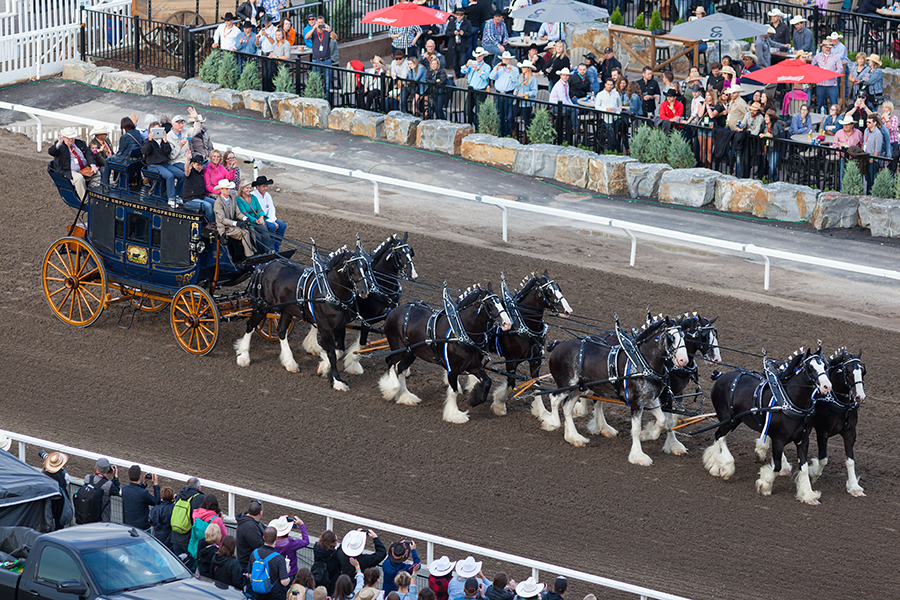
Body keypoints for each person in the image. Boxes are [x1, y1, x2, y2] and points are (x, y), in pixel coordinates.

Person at [48, 127, 98, 200]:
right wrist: (59, 143)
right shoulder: (60, 145)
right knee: (79, 178)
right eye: (68, 138)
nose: (71, 140)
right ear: (64, 137)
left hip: (84, 168)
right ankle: (86, 200)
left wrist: (93, 165)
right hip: (69, 170)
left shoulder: (80, 143)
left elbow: (88, 153)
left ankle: (95, 196)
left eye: (72, 137)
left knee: (97, 173)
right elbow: (51, 152)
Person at [214, 179, 257, 257]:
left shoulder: (232, 199)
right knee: (245, 233)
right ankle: (249, 255)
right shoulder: (218, 203)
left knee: (250, 229)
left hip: (233, 225)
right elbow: (222, 219)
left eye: (229, 188)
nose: (229, 190)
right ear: (221, 190)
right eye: (226, 189)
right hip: (225, 228)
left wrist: (245, 218)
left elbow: (238, 213)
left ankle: (255, 250)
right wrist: (236, 223)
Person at [251, 527, 291, 600]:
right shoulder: (279, 559)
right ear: (276, 538)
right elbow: (284, 582)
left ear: (263, 538)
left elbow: (250, 574)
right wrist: (287, 572)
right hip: (275, 594)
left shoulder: (255, 553)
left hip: (258, 593)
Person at [171, 477, 204, 565]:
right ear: (198, 488)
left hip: (175, 537)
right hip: (189, 541)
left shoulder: (179, 495)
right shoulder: (200, 498)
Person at [250, 175, 286, 251]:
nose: (265, 188)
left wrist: (272, 220)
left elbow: (271, 209)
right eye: (263, 186)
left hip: (269, 218)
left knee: (282, 225)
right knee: (272, 227)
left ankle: (276, 247)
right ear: (257, 187)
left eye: (266, 186)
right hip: (260, 219)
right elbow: (258, 212)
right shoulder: (253, 196)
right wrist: (271, 222)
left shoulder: (267, 195)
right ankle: (271, 249)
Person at [121, 465, 160, 532]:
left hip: (129, 526)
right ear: (140, 477)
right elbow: (157, 501)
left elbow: (136, 490)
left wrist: (144, 482)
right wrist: (156, 485)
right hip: (143, 528)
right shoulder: (143, 493)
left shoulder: (124, 489)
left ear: (129, 477)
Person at [235, 182, 273, 251]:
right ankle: (260, 253)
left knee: (265, 231)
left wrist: (261, 218)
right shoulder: (238, 199)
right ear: (242, 189)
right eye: (247, 188)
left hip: (256, 221)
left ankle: (269, 251)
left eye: (250, 188)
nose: (249, 190)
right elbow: (244, 213)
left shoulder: (253, 197)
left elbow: (259, 209)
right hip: (246, 222)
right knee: (257, 237)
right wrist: (255, 220)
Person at [189, 494, 227, 560]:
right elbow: (225, 536)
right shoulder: (217, 520)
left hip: (199, 550)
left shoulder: (196, 516)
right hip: (214, 553)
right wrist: (222, 521)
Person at [307, 16, 336, 102]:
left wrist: (329, 30)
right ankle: (318, 101)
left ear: (324, 23)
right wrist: (313, 28)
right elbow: (307, 37)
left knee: (328, 83)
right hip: (316, 60)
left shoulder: (327, 32)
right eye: (318, 23)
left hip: (327, 60)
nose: (320, 25)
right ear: (316, 23)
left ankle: (328, 102)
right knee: (317, 82)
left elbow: (335, 37)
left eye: (322, 23)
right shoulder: (314, 32)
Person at [83, 457, 120, 523]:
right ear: (108, 469)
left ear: (95, 468)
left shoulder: (87, 478)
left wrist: (104, 475)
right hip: (102, 519)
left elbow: (96, 480)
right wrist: (115, 477)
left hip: (87, 515)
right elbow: (116, 490)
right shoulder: (108, 485)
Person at [41, 451, 70, 530]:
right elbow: (67, 482)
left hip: (48, 500)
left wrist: (44, 469)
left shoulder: (44, 475)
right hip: (61, 500)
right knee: (59, 521)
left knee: (48, 519)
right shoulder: (65, 475)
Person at [461, 48, 491, 126]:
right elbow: (463, 71)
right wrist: (467, 65)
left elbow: (486, 77)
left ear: (483, 56)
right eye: (477, 56)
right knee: (467, 110)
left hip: (480, 91)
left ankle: (478, 127)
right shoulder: (472, 64)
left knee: (479, 111)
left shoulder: (487, 67)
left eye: (479, 56)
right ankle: (475, 124)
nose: (477, 57)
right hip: (471, 89)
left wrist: (478, 69)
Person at [811, 40, 842, 112]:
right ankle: (820, 121)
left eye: (829, 47)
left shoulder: (836, 57)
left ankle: (835, 120)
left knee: (834, 104)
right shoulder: (817, 56)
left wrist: (833, 74)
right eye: (827, 47)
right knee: (820, 104)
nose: (828, 49)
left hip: (831, 83)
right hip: (820, 83)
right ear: (823, 47)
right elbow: (812, 67)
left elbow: (840, 68)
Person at [236, 499, 266, 571]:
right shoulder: (250, 527)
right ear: (260, 512)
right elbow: (258, 545)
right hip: (248, 565)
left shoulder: (248, 520)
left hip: (246, 562)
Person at [446, 8, 473, 78]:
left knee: (462, 62)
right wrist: (453, 33)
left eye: (461, 15)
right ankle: (457, 76)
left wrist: (463, 33)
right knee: (455, 63)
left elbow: (470, 33)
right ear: (455, 15)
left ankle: (462, 77)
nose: (459, 16)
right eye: (458, 15)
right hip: (453, 45)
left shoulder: (467, 23)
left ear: (464, 15)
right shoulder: (451, 22)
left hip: (463, 45)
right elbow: (447, 33)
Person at [760, 109, 784, 181]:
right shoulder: (764, 125)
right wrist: (763, 134)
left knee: (772, 166)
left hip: (775, 148)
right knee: (771, 165)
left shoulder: (776, 125)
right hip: (768, 147)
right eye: (765, 117)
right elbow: (761, 131)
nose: (765, 119)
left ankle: (768, 179)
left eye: (767, 117)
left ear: (771, 118)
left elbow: (779, 136)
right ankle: (775, 180)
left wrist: (772, 136)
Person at [514, 59, 538, 132]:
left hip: (527, 103)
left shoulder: (533, 79)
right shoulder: (521, 77)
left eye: (524, 67)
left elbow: (534, 91)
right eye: (522, 67)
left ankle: (527, 136)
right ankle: (517, 133)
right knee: (511, 117)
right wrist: (515, 91)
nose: (522, 69)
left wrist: (524, 94)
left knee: (526, 121)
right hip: (518, 101)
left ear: (528, 69)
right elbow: (516, 87)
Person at [863, 113, 883, 190]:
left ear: (874, 123)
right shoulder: (866, 130)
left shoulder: (878, 133)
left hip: (873, 160)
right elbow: (865, 142)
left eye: (869, 122)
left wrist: (872, 159)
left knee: (872, 180)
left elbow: (877, 148)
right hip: (866, 157)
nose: (867, 124)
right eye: (867, 122)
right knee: (867, 178)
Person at [425, 55, 448, 120]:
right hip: (433, 91)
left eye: (435, 64)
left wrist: (433, 82)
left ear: (438, 64)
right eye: (432, 64)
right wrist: (435, 81)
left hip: (440, 92)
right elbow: (427, 80)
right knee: (434, 107)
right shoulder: (430, 71)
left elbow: (442, 81)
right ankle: (440, 120)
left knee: (439, 109)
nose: (433, 65)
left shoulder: (441, 71)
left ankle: (442, 121)